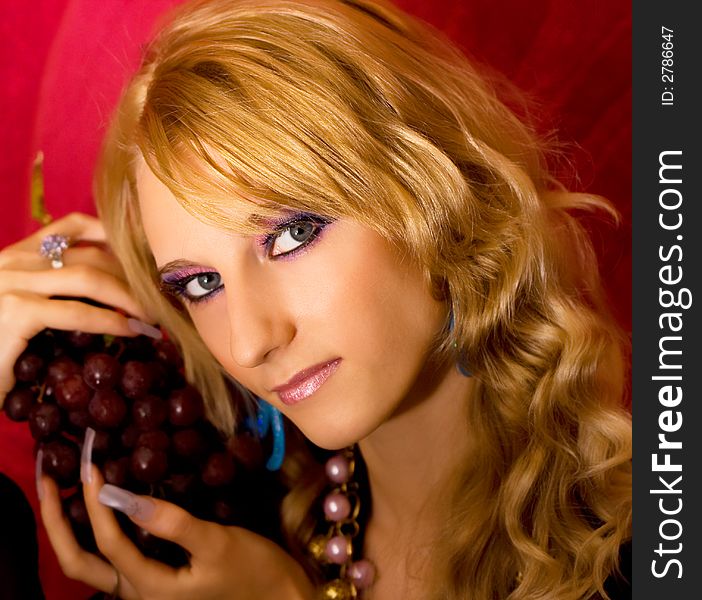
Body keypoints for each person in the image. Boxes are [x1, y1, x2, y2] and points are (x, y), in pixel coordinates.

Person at [0, 0, 632, 598]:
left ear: (428, 186)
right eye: (201, 283)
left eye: (292, 234)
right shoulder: (234, 523)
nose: (250, 341)